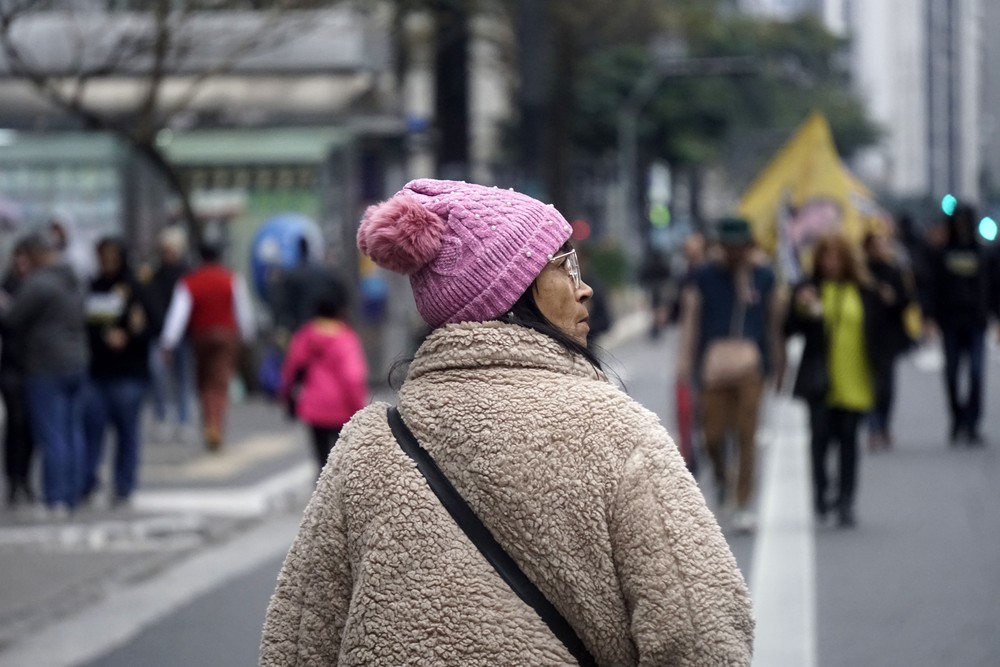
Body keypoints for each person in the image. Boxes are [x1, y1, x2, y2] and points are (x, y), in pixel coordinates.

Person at [261, 179, 753, 665]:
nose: (584, 290)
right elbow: (704, 636)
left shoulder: (366, 447)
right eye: (565, 266)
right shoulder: (619, 433)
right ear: (511, 291)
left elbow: (297, 644)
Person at [676, 218, 784, 533]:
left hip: (752, 365)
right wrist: (685, 365)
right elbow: (692, 321)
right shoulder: (705, 276)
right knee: (712, 435)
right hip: (712, 366)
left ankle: (744, 501)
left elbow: (773, 322)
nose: (735, 252)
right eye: (730, 246)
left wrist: (779, 364)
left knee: (747, 434)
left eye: (740, 246)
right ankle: (723, 478)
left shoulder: (763, 276)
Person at [786, 234, 883, 528]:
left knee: (849, 442)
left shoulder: (864, 291)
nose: (832, 264)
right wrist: (801, 306)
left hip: (855, 379)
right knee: (819, 441)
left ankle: (846, 502)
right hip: (821, 380)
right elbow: (790, 329)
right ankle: (821, 494)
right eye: (826, 257)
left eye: (838, 257)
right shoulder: (809, 290)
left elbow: (881, 329)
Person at [0, 231, 88, 518]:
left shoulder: (39, 284)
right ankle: (73, 494)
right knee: (72, 432)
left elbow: (13, 319)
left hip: (45, 365)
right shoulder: (74, 279)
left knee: (51, 434)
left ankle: (55, 498)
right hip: (76, 361)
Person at [160, 242, 256, 451]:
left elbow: (178, 315)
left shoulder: (189, 282)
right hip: (225, 336)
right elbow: (243, 311)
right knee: (220, 382)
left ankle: (209, 424)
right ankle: (216, 425)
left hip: (200, 337)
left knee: (204, 383)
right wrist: (247, 338)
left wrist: (168, 343)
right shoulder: (231, 279)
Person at [82, 238, 152, 507]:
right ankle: (87, 482)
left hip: (129, 373)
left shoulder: (136, 287)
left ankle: (124, 485)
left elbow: (151, 325)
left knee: (127, 432)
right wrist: (102, 339)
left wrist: (131, 336)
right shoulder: (94, 287)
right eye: (103, 257)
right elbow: (84, 326)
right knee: (92, 430)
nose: (108, 263)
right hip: (98, 371)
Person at [925, 202, 995, 445]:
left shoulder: (983, 253)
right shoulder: (942, 253)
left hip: (976, 321)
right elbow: (933, 287)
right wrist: (930, 318)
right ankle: (957, 420)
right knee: (952, 375)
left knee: (976, 373)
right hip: (951, 322)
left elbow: (994, 288)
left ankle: (973, 423)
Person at [280, 284, 368, 474]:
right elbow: (352, 378)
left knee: (321, 459)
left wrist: (288, 398)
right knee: (341, 459)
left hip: (314, 406)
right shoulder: (346, 339)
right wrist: (359, 408)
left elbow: (291, 369)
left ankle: (322, 493)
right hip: (342, 408)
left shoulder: (305, 335)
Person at [862, 231, 914, 450]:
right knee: (869, 385)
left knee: (887, 388)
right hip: (865, 336)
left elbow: (907, 301)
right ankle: (873, 428)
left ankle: (884, 426)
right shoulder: (862, 274)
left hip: (888, 337)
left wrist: (893, 298)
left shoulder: (894, 272)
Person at [144, 226, 194, 443]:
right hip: (157, 334)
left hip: (184, 336)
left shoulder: (188, 274)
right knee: (159, 379)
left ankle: (184, 420)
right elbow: (150, 303)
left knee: (183, 379)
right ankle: (163, 416)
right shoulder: (153, 275)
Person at [1, 240, 36, 507]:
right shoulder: (7, 287)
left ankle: (25, 478)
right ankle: (14, 480)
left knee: (32, 427)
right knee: (16, 423)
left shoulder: (37, 288)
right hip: (11, 366)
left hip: (37, 366)